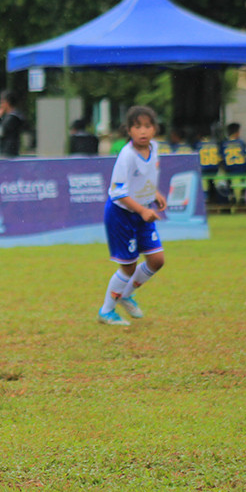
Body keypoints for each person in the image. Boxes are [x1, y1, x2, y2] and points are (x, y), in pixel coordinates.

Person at [97, 105, 167, 327]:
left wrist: (154, 194)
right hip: (122, 214)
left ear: (155, 129)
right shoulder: (126, 155)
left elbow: (145, 177)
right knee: (128, 266)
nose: (143, 131)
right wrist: (143, 210)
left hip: (143, 212)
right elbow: (118, 193)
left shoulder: (154, 148)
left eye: (147, 126)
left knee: (157, 260)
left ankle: (125, 295)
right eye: (137, 127)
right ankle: (106, 311)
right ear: (129, 130)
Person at [220, 123, 246, 204]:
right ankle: (242, 196)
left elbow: (221, 158)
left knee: (228, 180)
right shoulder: (241, 143)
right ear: (237, 132)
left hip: (229, 168)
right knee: (244, 178)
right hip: (242, 168)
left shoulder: (224, 143)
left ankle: (231, 195)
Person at [0, 90, 24, 158]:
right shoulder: (17, 115)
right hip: (11, 150)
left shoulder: (11, 118)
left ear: (7, 103)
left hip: (7, 152)